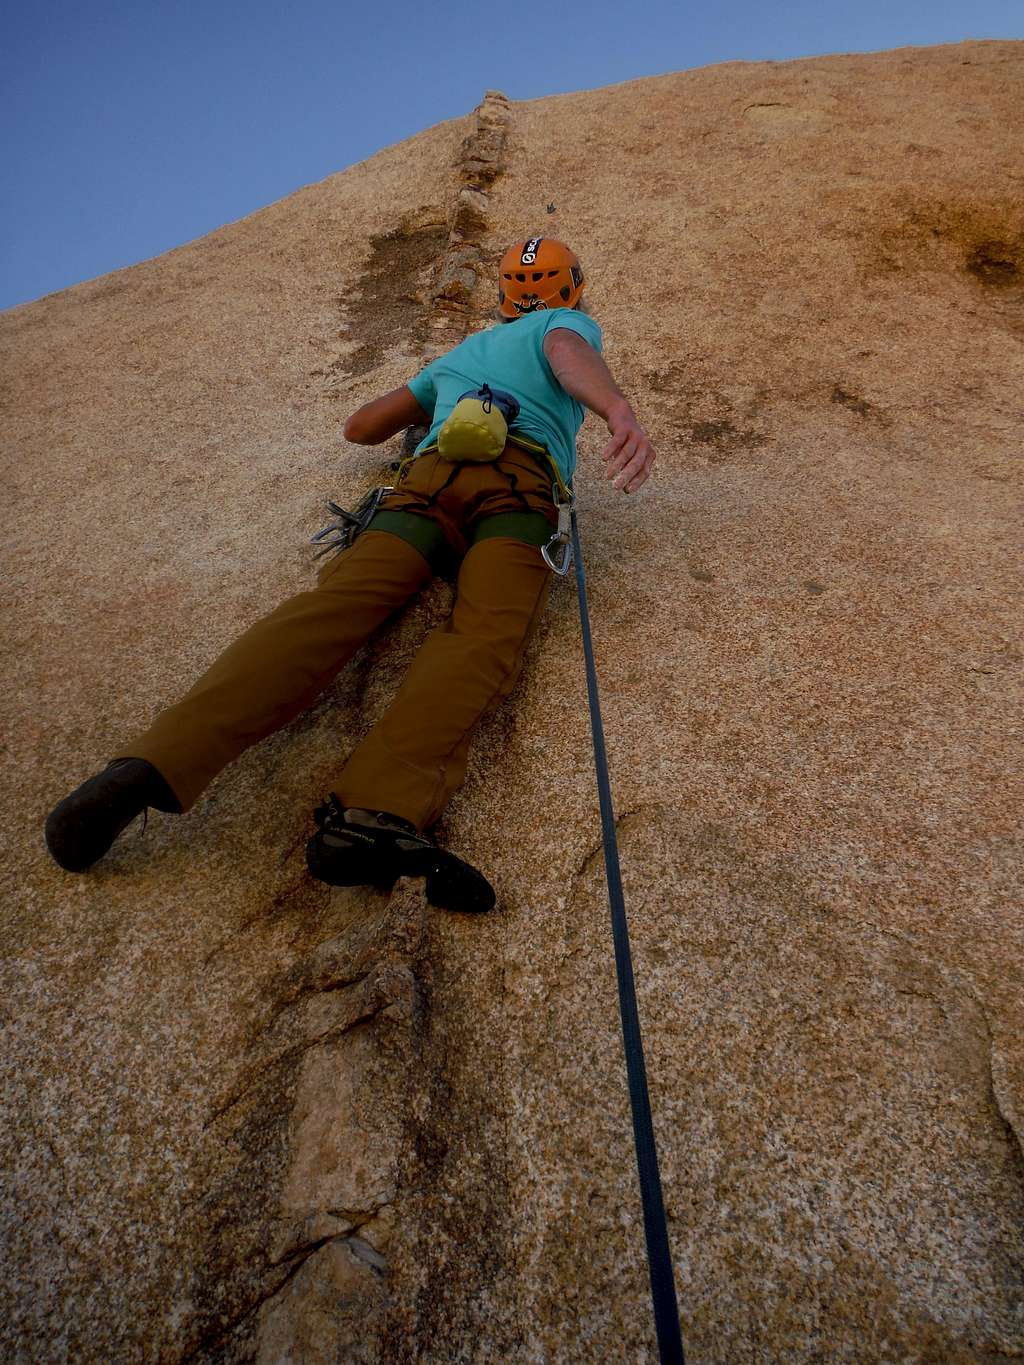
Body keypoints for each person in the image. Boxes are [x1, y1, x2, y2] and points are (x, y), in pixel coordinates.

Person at [44, 238, 657, 912]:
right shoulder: (564, 323)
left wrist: (434, 404)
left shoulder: (458, 356)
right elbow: (570, 358)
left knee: (329, 611)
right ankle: (372, 811)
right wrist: (616, 410)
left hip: (421, 485)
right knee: (480, 636)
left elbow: (361, 426)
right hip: (517, 490)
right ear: (571, 290)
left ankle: (150, 764)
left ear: (504, 300)